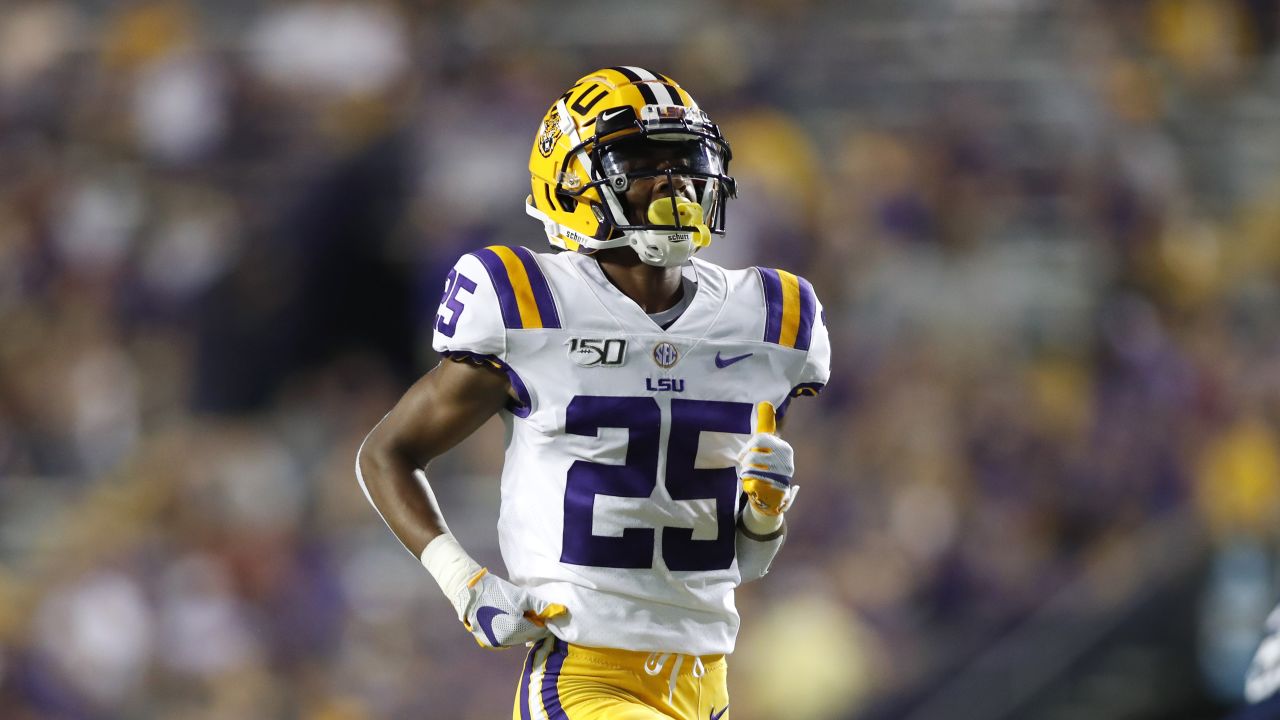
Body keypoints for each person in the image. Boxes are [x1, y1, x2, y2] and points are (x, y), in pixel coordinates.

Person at [356, 66, 830, 719]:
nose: (675, 184)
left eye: (686, 162)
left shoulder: (769, 318)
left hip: (706, 682)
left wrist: (764, 515)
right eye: (640, 163)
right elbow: (387, 452)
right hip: (584, 678)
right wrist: (462, 582)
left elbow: (745, 561)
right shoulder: (528, 301)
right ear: (573, 181)